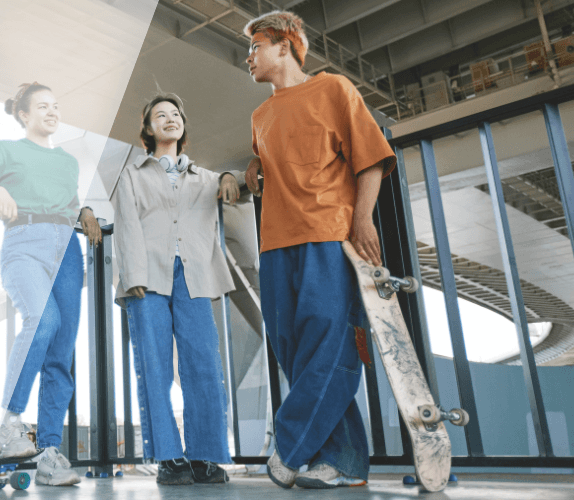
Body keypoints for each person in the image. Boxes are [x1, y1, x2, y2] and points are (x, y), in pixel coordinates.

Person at [243, 11, 396, 489]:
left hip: (328, 236)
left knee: (331, 346)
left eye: (255, 47)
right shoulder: (260, 115)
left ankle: (288, 448)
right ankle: (346, 462)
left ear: (284, 46)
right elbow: (277, 156)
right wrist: (252, 164)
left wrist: (363, 219)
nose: (248, 57)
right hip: (274, 244)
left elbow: (369, 158)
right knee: (295, 353)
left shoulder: (334, 89)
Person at [0, 82, 103, 486]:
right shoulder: (4, 151)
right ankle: (10, 424)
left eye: (56, 106)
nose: (52, 112)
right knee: (42, 321)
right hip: (24, 243)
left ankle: (48, 453)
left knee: (61, 353)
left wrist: (87, 210)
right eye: (42, 106)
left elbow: (69, 201)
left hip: (68, 251)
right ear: (23, 115)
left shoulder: (67, 161)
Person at [113, 93, 245, 485]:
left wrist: (226, 177)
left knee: (203, 363)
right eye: (160, 115)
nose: (170, 119)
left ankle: (206, 454)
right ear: (149, 129)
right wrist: (133, 275)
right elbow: (127, 226)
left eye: (175, 114)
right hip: (147, 275)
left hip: (194, 275)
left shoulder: (205, 177)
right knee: (154, 365)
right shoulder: (132, 176)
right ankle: (168, 457)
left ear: (183, 125)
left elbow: (233, 185)